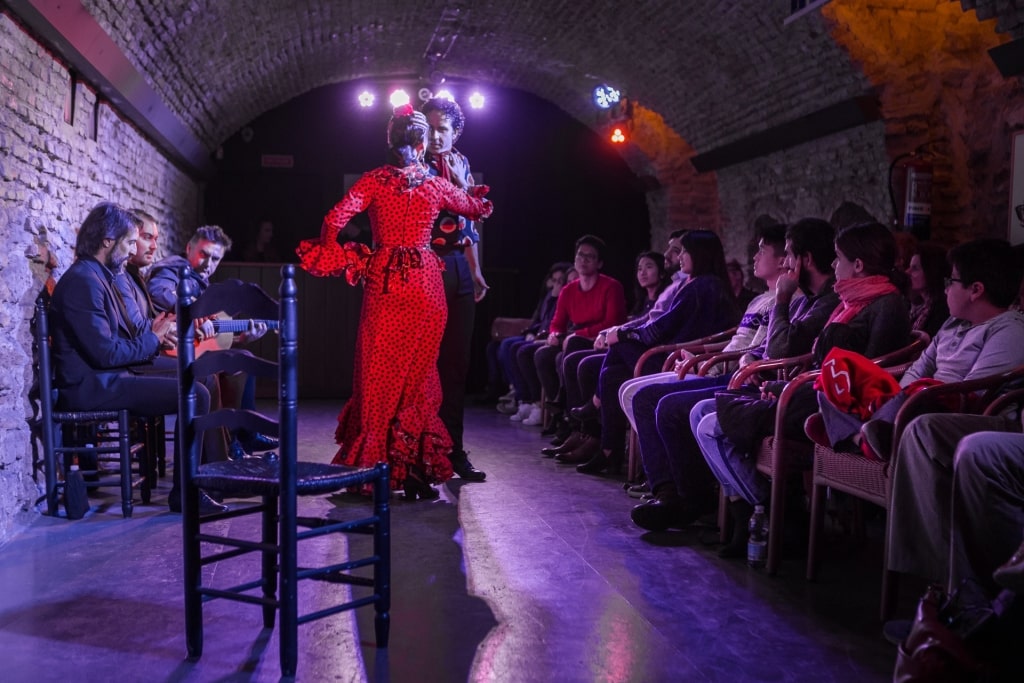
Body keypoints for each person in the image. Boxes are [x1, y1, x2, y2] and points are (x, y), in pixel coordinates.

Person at [295, 105, 493, 499]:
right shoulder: (435, 185)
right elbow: (475, 209)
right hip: (425, 281)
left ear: (389, 140)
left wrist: (334, 251)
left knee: (378, 374)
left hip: (385, 278)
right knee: (420, 377)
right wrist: (465, 185)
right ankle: (415, 469)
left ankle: (371, 468)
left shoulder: (373, 180)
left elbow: (334, 219)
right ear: (421, 144)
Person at [690, 221, 912, 557]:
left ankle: (767, 510)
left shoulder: (885, 303)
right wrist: (784, 384)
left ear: (858, 265)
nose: (834, 266)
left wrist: (790, 384)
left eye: (839, 259)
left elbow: (866, 370)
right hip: (811, 388)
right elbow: (814, 358)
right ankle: (758, 511)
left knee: (711, 426)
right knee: (700, 411)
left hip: (834, 401)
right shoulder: (847, 301)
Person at [48, 203, 224, 514]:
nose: (132, 252)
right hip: (92, 387)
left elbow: (117, 340)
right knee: (194, 393)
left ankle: (207, 481)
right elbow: (105, 353)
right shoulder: (84, 281)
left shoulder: (99, 275)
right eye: (130, 242)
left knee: (198, 375)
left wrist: (151, 335)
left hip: (110, 374)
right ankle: (187, 493)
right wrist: (153, 339)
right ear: (107, 241)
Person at [622, 224, 788, 506]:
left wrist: (711, 358)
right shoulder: (760, 298)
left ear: (784, 259)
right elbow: (737, 341)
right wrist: (703, 354)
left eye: (762, 251)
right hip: (722, 367)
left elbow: (763, 350)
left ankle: (682, 492)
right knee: (632, 387)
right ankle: (666, 484)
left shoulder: (782, 300)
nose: (754, 257)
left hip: (738, 377)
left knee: (654, 398)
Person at [567, 230, 739, 474]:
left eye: (685, 251)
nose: (679, 257)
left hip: (681, 362)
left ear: (700, 255)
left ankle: (600, 421)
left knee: (620, 347)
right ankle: (608, 451)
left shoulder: (703, 285)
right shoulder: (699, 284)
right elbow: (657, 324)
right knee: (612, 375)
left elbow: (661, 328)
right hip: (676, 355)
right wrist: (622, 333)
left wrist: (622, 335)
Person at [147, 225, 273, 457]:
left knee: (242, 360)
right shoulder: (173, 269)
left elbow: (206, 335)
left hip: (189, 349)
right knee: (223, 367)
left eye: (216, 259)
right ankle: (231, 443)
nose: (208, 264)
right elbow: (158, 291)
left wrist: (240, 338)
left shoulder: (202, 282)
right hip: (166, 351)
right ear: (189, 248)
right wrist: (197, 310)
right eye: (204, 254)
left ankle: (242, 435)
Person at [422, 97, 488, 482]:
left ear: (455, 132)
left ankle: (453, 451)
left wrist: (476, 271)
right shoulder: (414, 164)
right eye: (429, 128)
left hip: (460, 267)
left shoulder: (462, 163)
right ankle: (421, 451)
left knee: (456, 364)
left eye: (441, 129)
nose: (434, 136)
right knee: (424, 364)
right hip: (427, 265)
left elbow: (470, 225)